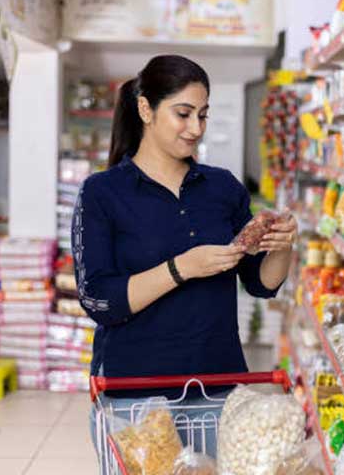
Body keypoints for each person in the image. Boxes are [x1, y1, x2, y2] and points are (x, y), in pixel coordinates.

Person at [75, 55, 297, 465]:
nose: (195, 128)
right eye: (183, 113)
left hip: (216, 386)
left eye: (203, 115)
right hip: (135, 395)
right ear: (145, 109)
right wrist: (182, 268)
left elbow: (260, 282)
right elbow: (98, 299)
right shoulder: (102, 193)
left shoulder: (221, 188)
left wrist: (281, 246)